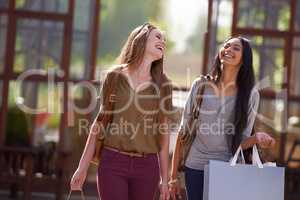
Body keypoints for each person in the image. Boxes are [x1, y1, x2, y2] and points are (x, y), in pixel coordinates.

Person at [70, 23, 173, 200]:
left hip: (147, 167)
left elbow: (164, 134)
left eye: (163, 39)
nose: (162, 41)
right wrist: (82, 166)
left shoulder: (163, 85)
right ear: (141, 38)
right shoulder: (114, 76)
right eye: (157, 37)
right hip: (113, 163)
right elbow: (100, 122)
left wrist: (165, 178)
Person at [169, 36, 275, 200]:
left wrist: (256, 138)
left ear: (244, 59)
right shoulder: (200, 85)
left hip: (226, 168)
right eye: (226, 46)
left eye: (236, 48)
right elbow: (183, 132)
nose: (229, 50)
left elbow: (242, 140)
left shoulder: (250, 95)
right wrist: (173, 176)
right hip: (195, 166)